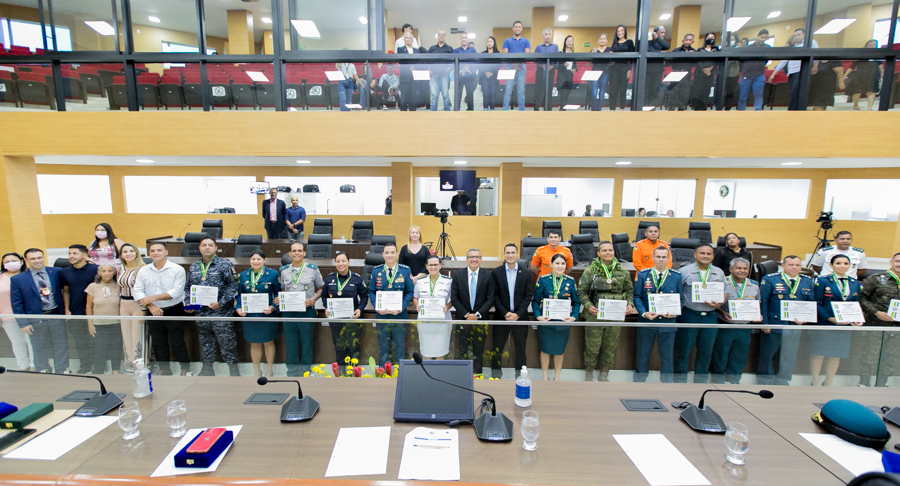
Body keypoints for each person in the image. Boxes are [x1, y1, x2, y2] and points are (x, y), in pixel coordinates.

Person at [578, 241, 635, 382]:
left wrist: (630, 304)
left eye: (610, 250)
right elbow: (582, 292)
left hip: (614, 317)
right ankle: (589, 373)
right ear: (598, 253)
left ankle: (604, 373)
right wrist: (588, 305)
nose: (608, 253)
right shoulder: (590, 271)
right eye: (604, 250)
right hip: (594, 316)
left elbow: (629, 291)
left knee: (610, 346)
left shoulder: (623, 271)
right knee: (592, 347)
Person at [183, 237, 240, 377]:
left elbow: (233, 285)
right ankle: (207, 370)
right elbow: (188, 287)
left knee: (227, 344)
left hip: (221, 314)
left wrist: (220, 303)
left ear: (215, 248)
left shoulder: (224, 264)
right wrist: (188, 302)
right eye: (204, 245)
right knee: (205, 343)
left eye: (210, 245)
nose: (207, 247)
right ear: (199, 248)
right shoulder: (195, 266)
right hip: (202, 314)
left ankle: (234, 371)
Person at [133, 242, 190, 376]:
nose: (155, 253)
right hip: (153, 310)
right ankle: (165, 368)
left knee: (177, 340)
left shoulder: (177, 269)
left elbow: (176, 292)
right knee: (159, 342)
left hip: (174, 309)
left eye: (159, 250)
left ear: (166, 252)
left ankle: (185, 367)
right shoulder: (144, 270)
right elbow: (137, 291)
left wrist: (151, 298)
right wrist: (151, 305)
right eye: (152, 251)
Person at [757, 255, 815, 385]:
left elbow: (810, 303)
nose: (794, 267)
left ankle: (783, 379)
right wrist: (765, 322)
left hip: (794, 326)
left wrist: (804, 319)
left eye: (797, 265)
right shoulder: (770, 279)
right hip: (774, 323)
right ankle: (765, 379)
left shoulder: (807, 281)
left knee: (789, 355)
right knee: (767, 354)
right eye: (791, 265)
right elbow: (763, 302)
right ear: (783, 266)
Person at [10, 248, 69, 373]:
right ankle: (43, 369)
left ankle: (62, 369)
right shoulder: (18, 279)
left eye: (39, 257)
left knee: (61, 345)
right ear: (26, 260)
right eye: (33, 258)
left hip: (56, 315)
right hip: (36, 319)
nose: (37, 261)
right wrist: (23, 323)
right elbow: (16, 304)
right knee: (38, 347)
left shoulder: (56, 272)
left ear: (43, 258)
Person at [673, 244, 726, 383]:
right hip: (690, 315)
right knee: (683, 351)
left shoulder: (719, 272)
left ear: (713, 256)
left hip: (710, 316)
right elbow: (677, 292)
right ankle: (679, 382)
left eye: (709, 254)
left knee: (706, 352)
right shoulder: (684, 271)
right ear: (695, 255)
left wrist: (719, 304)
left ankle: (700, 383)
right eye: (702, 253)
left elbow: (725, 292)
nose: (705, 256)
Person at [810, 255, 863, 386]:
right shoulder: (822, 281)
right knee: (819, 353)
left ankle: (828, 382)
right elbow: (815, 302)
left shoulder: (854, 282)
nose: (842, 266)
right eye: (838, 263)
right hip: (825, 323)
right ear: (831, 265)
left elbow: (855, 304)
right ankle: (815, 381)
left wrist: (857, 319)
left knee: (836, 355)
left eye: (845, 263)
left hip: (844, 326)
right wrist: (829, 318)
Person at [633, 246, 682, 382]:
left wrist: (675, 314)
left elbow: (681, 300)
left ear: (668, 258)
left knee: (667, 356)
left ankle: (666, 385)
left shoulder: (676, 277)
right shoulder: (643, 275)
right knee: (642, 355)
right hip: (646, 322)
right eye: (658, 256)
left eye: (664, 257)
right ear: (653, 258)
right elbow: (637, 297)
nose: (661, 259)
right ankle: (639, 384)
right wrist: (643, 313)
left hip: (668, 323)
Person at [711, 258, 760, 384]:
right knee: (720, 354)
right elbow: (714, 304)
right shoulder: (722, 283)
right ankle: (718, 381)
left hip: (745, 327)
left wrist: (757, 315)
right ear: (731, 269)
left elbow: (757, 303)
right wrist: (722, 312)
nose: (742, 271)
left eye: (745, 268)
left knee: (740, 355)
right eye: (739, 268)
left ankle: (734, 381)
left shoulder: (754, 285)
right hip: (726, 325)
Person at [278, 242, 323, 376]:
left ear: (304, 253)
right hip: (288, 313)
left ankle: (305, 371)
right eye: (294, 251)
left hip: (307, 311)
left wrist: (313, 299)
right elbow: (282, 289)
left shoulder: (313, 269)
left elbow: (320, 288)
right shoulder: (283, 270)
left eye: (299, 250)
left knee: (307, 342)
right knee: (290, 343)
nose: (297, 253)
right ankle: (292, 371)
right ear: (290, 254)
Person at [533, 253, 580, 381]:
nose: (560, 266)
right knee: (545, 349)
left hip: (562, 322)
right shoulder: (543, 280)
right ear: (551, 265)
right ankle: (545, 378)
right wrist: (538, 316)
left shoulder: (570, 281)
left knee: (559, 350)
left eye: (563, 263)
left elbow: (576, 302)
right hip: (546, 321)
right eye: (557, 263)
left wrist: (573, 317)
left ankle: (557, 378)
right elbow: (535, 301)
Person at [490, 243, 534, 379]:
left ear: (517, 255)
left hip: (520, 317)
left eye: (513, 252)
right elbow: (494, 295)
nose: (510, 255)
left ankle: (520, 377)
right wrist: (505, 313)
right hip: (501, 316)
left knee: (520, 348)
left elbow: (528, 296)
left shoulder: (526, 273)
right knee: (497, 348)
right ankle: (495, 376)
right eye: (507, 253)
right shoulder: (496, 272)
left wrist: (518, 314)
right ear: (504, 254)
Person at [450, 248, 495, 375]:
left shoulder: (488, 275)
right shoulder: (458, 275)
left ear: (481, 259)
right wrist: (466, 315)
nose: (474, 259)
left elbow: (491, 299)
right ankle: (462, 376)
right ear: (466, 259)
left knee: (478, 351)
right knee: (462, 349)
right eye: (471, 257)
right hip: (462, 320)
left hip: (481, 320)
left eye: (477, 256)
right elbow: (454, 298)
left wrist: (477, 315)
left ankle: (477, 376)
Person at [235, 250, 279, 378]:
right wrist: (238, 308)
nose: (256, 262)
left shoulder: (272, 274)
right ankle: (256, 371)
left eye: (259, 259)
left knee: (268, 342)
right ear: (250, 261)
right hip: (250, 315)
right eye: (253, 259)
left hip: (266, 314)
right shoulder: (243, 275)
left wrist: (272, 307)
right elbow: (240, 295)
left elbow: (277, 294)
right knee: (254, 343)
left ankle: (269, 370)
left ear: (264, 260)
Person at [368, 243, 414, 365]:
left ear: (397, 254)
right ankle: (383, 374)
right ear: (383, 254)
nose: (390, 255)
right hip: (382, 316)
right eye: (387, 252)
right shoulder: (376, 271)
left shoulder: (405, 270)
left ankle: (400, 374)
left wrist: (401, 307)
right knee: (383, 348)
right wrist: (377, 307)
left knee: (400, 347)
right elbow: (371, 291)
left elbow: (409, 292)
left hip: (399, 316)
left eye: (392, 252)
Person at [858, 252, 900, 387]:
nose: (899, 264)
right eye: (897, 261)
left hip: (897, 329)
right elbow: (862, 297)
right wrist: (876, 312)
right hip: (876, 325)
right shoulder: (876, 278)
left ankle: (882, 385)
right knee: (870, 356)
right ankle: (864, 384)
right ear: (891, 262)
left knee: (890, 358)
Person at [322, 253, 367, 365]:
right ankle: (341, 375)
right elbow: (324, 296)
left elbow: (364, 296)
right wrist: (326, 307)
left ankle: (353, 374)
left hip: (352, 319)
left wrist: (360, 309)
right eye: (338, 261)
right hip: (336, 319)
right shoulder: (330, 278)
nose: (340, 264)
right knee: (339, 347)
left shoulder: (356, 278)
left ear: (348, 262)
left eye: (343, 261)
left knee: (353, 347)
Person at [60, 244, 99, 374]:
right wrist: (67, 309)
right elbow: (66, 291)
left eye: (75, 253)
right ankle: (85, 366)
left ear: (84, 255)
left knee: (96, 341)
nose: (71, 256)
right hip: (75, 313)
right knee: (80, 342)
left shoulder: (96, 269)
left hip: (94, 313)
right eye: (69, 253)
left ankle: (99, 366)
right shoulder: (65, 272)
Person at [85, 264, 123, 374]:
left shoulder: (118, 286)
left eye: (110, 270)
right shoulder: (92, 286)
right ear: (99, 273)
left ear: (114, 272)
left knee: (116, 348)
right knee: (99, 349)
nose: (107, 273)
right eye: (104, 271)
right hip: (99, 324)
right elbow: (88, 307)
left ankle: (116, 370)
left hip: (116, 323)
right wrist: (90, 324)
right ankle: (99, 371)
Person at [769, 28, 818, 110]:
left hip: (801, 72)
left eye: (799, 35)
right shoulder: (793, 47)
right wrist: (773, 74)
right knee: (792, 93)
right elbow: (784, 61)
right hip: (791, 73)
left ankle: (797, 111)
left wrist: (815, 66)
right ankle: (792, 110)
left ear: (804, 35)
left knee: (799, 93)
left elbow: (816, 55)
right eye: (795, 36)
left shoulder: (811, 43)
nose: (796, 37)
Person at [414, 255, 453, 359]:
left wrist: (447, 307)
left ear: (440, 265)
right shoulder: (420, 281)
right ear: (426, 266)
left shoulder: (448, 281)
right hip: (425, 322)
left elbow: (454, 299)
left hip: (442, 322)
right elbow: (415, 297)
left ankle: (439, 375)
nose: (433, 267)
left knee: (441, 352)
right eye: (430, 265)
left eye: (436, 264)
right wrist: (417, 305)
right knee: (426, 352)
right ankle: (427, 375)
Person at [1, 252, 34, 371]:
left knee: (31, 342)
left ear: (21, 261)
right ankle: (23, 367)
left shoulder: (28, 275)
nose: (11, 263)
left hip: (27, 315)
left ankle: (33, 366)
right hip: (7, 316)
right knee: (17, 342)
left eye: (14, 260)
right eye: (7, 261)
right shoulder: (1, 277)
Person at [116, 243, 145, 372]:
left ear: (136, 253)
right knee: (126, 335)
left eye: (131, 251)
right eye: (125, 251)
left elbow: (147, 290)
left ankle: (139, 362)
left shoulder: (143, 268)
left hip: (138, 305)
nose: (128, 254)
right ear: (121, 255)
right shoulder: (120, 268)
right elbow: (119, 288)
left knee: (137, 335)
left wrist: (144, 310)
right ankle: (129, 362)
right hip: (124, 304)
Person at [738, 29, 771, 111]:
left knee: (758, 94)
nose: (763, 39)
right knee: (743, 95)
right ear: (758, 36)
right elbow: (740, 61)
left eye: (765, 38)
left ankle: (758, 110)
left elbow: (766, 60)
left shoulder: (767, 48)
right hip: (746, 75)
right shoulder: (748, 48)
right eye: (762, 37)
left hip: (759, 75)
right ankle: (741, 111)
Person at [844, 41, 883, 111]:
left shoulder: (877, 54)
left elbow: (880, 65)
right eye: (870, 45)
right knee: (858, 91)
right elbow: (852, 66)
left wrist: (882, 74)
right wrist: (845, 75)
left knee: (871, 91)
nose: (872, 47)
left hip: (872, 75)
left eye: (874, 45)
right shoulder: (860, 54)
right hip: (861, 75)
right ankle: (855, 105)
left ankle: (869, 108)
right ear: (866, 46)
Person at [501, 21, 531, 111]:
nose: (517, 28)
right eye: (516, 27)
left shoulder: (526, 41)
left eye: (519, 27)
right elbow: (505, 55)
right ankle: (505, 110)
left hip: (521, 67)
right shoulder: (507, 41)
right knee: (508, 90)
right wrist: (514, 65)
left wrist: (517, 65)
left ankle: (521, 110)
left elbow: (527, 54)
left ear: (521, 29)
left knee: (521, 90)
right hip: (509, 67)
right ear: (513, 28)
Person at [397, 32, 427, 111]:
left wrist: (414, 67)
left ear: (412, 40)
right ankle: (403, 116)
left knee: (413, 97)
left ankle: (413, 116)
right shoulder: (400, 49)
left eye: (410, 38)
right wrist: (410, 66)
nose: (408, 39)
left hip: (414, 77)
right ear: (404, 39)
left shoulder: (417, 51)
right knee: (403, 97)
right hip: (405, 77)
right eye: (406, 38)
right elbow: (401, 61)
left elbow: (419, 62)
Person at [689, 32, 719, 111]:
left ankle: (703, 109)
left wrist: (710, 69)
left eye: (712, 38)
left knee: (706, 92)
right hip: (699, 74)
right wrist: (704, 70)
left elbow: (717, 61)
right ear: (705, 39)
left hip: (710, 74)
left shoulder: (716, 50)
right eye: (709, 37)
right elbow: (698, 61)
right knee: (697, 92)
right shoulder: (700, 50)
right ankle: (696, 109)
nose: (710, 39)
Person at [608, 25, 635, 111]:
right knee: (613, 89)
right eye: (618, 31)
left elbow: (633, 57)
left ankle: (622, 108)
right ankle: (612, 109)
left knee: (623, 89)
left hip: (625, 67)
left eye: (622, 30)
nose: (620, 32)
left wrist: (629, 69)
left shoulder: (629, 42)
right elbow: (611, 56)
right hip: (614, 68)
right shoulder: (614, 43)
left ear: (625, 31)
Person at [666, 34, 695, 111]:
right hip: (676, 73)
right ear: (683, 40)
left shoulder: (694, 51)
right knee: (672, 93)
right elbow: (668, 62)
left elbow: (696, 64)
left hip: (686, 74)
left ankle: (681, 110)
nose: (687, 41)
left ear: (692, 41)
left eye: (690, 40)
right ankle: (671, 110)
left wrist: (692, 56)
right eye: (686, 39)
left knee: (684, 94)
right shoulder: (676, 50)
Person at [533, 28, 559, 111]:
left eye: (549, 34)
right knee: (538, 91)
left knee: (549, 91)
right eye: (546, 34)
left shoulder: (555, 47)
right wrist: (542, 66)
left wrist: (552, 66)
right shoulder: (538, 47)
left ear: (551, 36)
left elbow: (557, 59)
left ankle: (548, 111)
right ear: (543, 36)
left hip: (551, 72)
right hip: (540, 71)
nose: (547, 36)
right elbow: (535, 59)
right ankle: (536, 111)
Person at [428, 29, 454, 111]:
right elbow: (426, 60)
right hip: (433, 75)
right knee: (434, 96)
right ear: (437, 36)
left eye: (443, 34)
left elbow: (454, 61)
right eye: (440, 34)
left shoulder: (449, 49)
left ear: (445, 36)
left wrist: (450, 68)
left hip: (444, 75)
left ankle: (447, 113)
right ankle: (433, 114)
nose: (441, 36)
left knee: (445, 95)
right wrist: (428, 70)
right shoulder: (432, 48)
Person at [645, 26, 670, 108]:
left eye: (664, 33)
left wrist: (659, 39)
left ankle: (651, 109)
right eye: (661, 32)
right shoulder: (648, 43)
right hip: (647, 71)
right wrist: (660, 52)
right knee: (646, 91)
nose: (663, 34)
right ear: (655, 33)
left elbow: (667, 46)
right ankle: (643, 109)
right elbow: (648, 52)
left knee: (655, 91)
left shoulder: (662, 44)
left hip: (658, 71)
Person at [454, 33, 477, 111]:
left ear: (468, 40)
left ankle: (470, 111)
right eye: (462, 37)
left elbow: (475, 62)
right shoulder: (456, 50)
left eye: (465, 37)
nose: (464, 39)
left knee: (470, 95)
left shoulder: (473, 50)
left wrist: (468, 68)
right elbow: (454, 63)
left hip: (470, 76)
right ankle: (456, 111)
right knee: (458, 95)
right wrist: (462, 69)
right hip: (459, 76)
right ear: (460, 39)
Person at [589, 33, 612, 111]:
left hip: (605, 72)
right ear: (598, 40)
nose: (602, 40)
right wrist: (591, 55)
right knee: (594, 93)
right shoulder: (594, 50)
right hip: (595, 72)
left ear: (607, 40)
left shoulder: (610, 50)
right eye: (601, 39)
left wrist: (611, 56)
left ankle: (599, 110)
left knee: (602, 93)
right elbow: (588, 63)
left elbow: (613, 63)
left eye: (604, 39)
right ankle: (593, 109)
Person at [480, 37, 501, 110]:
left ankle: (492, 109)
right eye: (488, 41)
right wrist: (486, 72)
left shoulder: (497, 54)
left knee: (492, 94)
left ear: (494, 43)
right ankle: (485, 108)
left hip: (494, 76)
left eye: (491, 41)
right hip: (484, 76)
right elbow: (480, 65)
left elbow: (499, 65)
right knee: (485, 94)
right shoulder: (483, 54)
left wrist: (491, 72)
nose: (489, 43)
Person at [557, 35, 577, 110]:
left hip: (570, 75)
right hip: (562, 76)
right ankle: (562, 111)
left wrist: (574, 69)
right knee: (563, 95)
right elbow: (557, 65)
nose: (569, 42)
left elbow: (575, 66)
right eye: (568, 41)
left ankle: (563, 110)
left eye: (571, 41)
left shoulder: (573, 54)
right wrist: (563, 65)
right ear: (565, 42)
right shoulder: (561, 53)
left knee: (567, 95)